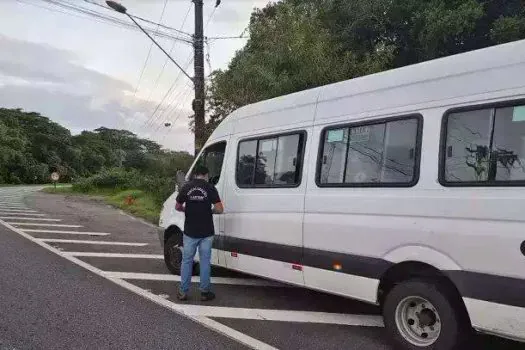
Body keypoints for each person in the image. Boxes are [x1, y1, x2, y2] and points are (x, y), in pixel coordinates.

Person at [175, 165, 224, 301]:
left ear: (194, 174)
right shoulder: (210, 187)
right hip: (207, 232)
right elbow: (220, 209)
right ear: (206, 175)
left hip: (190, 232)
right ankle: (205, 292)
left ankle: (183, 292)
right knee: (204, 262)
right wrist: (210, 211)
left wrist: (187, 209)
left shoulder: (186, 187)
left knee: (187, 261)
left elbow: (177, 206)